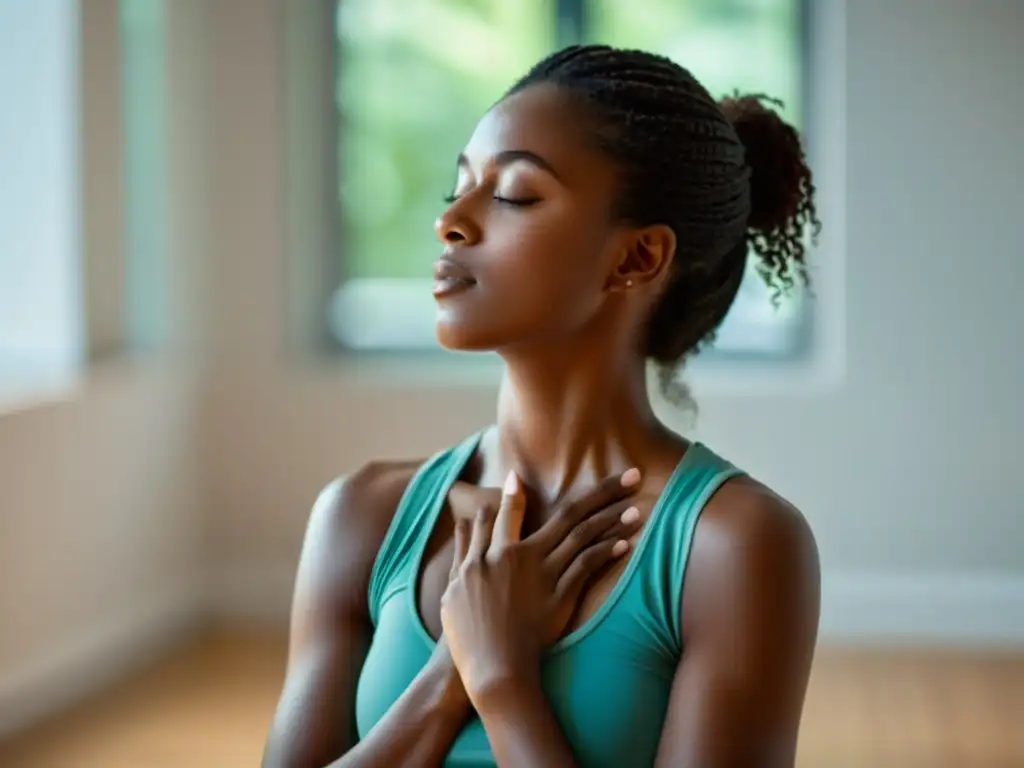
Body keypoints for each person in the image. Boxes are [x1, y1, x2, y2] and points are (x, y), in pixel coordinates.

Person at [263, 43, 821, 768]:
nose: (452, 222)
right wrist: (448, 677)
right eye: (458, 188)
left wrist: (502, 682)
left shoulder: (734, 546)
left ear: (636, 259)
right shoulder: (361, 517)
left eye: (515, 194)